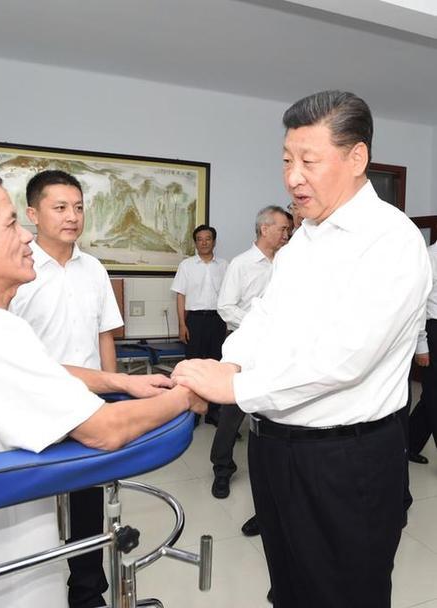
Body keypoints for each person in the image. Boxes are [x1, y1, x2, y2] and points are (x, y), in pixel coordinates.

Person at [0, 166, 206, 608]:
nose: (24, 237)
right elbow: (105, 431)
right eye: (10, 224)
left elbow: (46, 371)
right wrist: (186, 396)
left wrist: (119, 381)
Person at [172, 90, 431, 608]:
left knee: (345, 593)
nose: (292, 177)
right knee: (288, 587)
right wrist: (225, 362)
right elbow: (266, 319)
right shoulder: (304, 243)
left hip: (345, 457)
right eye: (287, 161)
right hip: (275, 448)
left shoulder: (391, 241)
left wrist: (235, 386)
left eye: (308, 161)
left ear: (356, 158)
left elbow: (345, 360)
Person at [9, 170, 123, 608]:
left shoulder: (93, 268)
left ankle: (87, 590)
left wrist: (113, 398)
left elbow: (104, 336)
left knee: (88, 503)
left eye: (78, 207)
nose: (72, 216)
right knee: (32, 508)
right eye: (60, 207)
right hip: (32, 406)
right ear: (33, 213)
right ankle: (33, 592)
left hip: (87, 405)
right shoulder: (18, 269)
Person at [210, 206, 289, 507]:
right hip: (243, 343)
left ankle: (273, 476)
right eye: (282, 228)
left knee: (272, 409)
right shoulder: (241, 265)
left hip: (279, 347)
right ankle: (222, 467)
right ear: (264, 228)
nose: (286, 234)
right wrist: (259, 326)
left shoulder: (287, 262)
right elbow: (225, 307)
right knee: (232, 411)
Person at [171, 224, 228, 425]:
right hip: (194, 320)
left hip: (218, 320)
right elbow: (180, 296)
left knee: (216, 366)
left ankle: (214, 412)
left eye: (208, 238)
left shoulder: (225, 265)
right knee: (193, 368)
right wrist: (182, 325)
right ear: (195, 243)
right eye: (200, 239)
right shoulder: (186, 266)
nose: (204, 242)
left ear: (214, 241)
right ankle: (192, 413)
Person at [409, 241, 437, 464]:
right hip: (433, 329)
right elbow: (419, 305)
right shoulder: (429, 256)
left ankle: (409, 442)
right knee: (434, 393)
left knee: (430, 395)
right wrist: (422, 346)